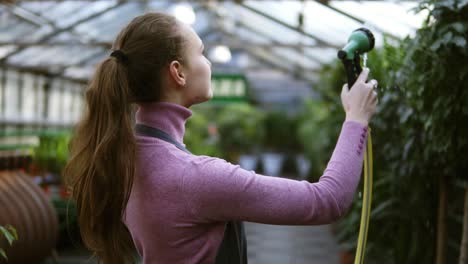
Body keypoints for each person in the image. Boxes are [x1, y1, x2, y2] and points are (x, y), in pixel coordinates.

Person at [64, 12, 378, 264]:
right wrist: (356, 119)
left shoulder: (124, 157)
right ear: (178, 72)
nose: (209, 63)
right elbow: (327, 201)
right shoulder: (194, 177)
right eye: (201, 53)